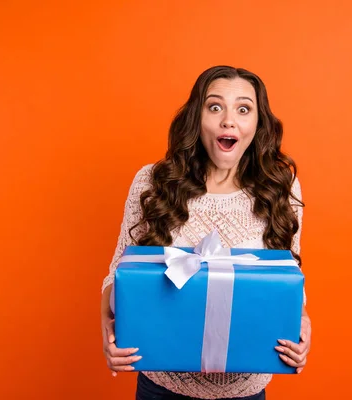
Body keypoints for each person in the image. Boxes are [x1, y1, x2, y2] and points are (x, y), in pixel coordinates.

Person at [100, 65, 311, 400]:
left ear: (257, 125)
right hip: (162, 387)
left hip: (248, 391)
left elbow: (290, 277)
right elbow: (117, 273)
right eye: (215, 107)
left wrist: (303, 326)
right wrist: (108, 328)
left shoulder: (279, 188)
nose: (229, 120)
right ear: (196, 119)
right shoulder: (153, 182)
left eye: (243, 109)